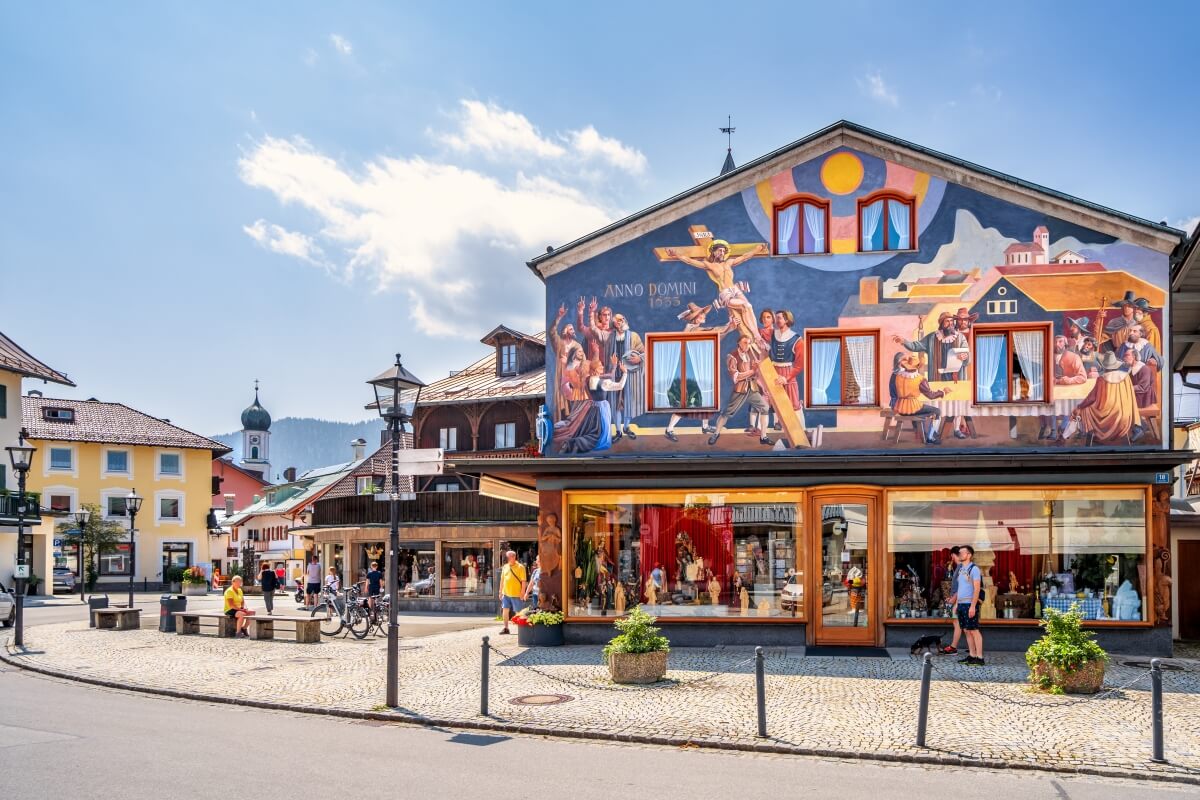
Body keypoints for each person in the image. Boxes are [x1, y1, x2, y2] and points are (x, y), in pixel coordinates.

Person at [708, 334, 771, 446]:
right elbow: (736, 377)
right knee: (727, 413)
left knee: (765, 408)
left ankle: (764, 436)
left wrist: (763, 387)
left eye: (749, 343)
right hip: (740, 389)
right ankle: (716, 434)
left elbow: (756, 376)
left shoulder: (751, 355)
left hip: (752, 387)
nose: (747, 345)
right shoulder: (732, 356)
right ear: (739, 343)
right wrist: (752, 370)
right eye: (745, 343)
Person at [948, 545, 984, 666]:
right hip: (962, 603)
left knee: (974, 630)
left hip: (969, 603)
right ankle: (972, 655)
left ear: (969, 555)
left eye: (962, 552)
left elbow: (977, 589)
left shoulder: (974, 569)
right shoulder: (962, 569)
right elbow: (961, 588)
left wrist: (973, 606)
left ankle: (980, 657)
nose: (959, 554)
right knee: (966, 631)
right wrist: (957, 604)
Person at [938, 547, 963, 655]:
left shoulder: (961, 567)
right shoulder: (959, 567)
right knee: (960, 623)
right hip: (957, 598)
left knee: (957, 622)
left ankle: (953, 647)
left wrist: (953, 598)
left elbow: (962, 586)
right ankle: (973, 648)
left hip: (959, 600)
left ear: (953, 555)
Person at [498, 550, 527, 634]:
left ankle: (521, 630)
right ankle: (506, 628)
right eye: (506, 557)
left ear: (513, 557)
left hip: (516, 594)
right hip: (506, 593)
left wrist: (523, 592)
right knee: (505, 610)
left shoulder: (520, 567)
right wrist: (500, 592)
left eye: (508, 557)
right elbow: (502, 580)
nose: (506, 558)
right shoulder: (505, 567)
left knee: (518, 612)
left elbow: (523, 581)